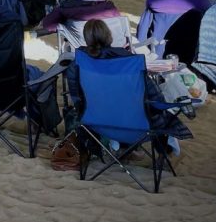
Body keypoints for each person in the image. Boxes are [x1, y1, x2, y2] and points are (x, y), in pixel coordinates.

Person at [65, 19, 192, 153]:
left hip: (96, 123)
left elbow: (77, 99)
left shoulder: (78, 64)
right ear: (109, 36)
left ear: (86, 39)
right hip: (137, 126)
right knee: (160, 112)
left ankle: (121, 149)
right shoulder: (129, 62)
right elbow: (156, 96)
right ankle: (163, 152)